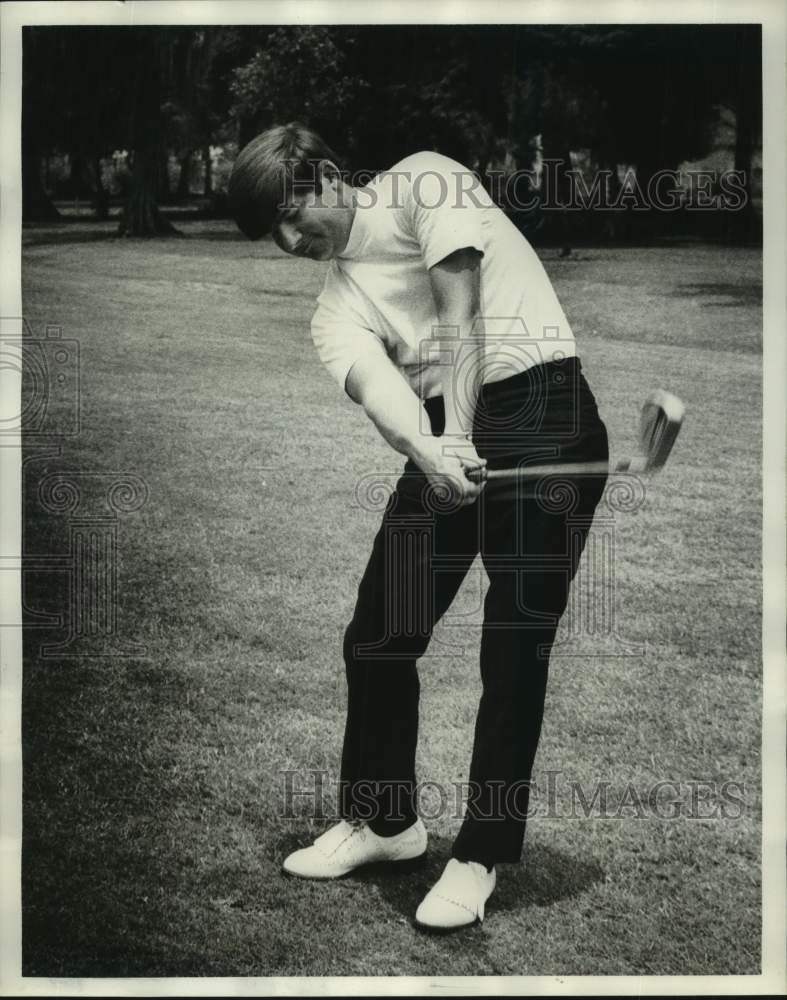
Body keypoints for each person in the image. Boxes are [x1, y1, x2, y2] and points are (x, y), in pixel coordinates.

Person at [228, 123, 609, 931]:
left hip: (542, 406)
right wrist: (434, 449)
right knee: (377, 631)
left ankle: (478, 854)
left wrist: (458, 439)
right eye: (273, 234)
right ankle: (387, 823)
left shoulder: (423, 182)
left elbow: (458, 311)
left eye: (293, 216)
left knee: (512, 642)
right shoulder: (334, 309)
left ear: (329, 175)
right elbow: (383, 394)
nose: (291, 241)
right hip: (445, 433)